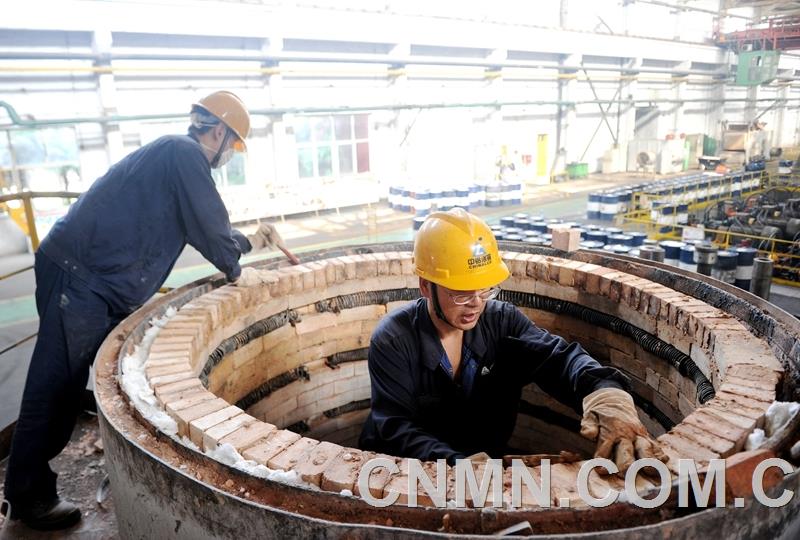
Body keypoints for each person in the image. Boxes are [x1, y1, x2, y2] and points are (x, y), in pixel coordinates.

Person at [2, 90, 295, 531]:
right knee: (55, 388)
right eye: (232, 144)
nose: (229, 155)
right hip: (80, 278)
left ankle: (29, 488)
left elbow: (203, 225)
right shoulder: (183, 154)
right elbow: (211, 227)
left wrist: (254, 239)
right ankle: (27, 496)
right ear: (217, 130)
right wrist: (237, 270)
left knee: (64, 386)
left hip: (88, 279)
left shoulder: (175, 161)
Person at [359, 208, 666, 471]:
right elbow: (396, 428)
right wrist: (457, 464)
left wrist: (604, 390)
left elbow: (558, 359)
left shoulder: (501, 321)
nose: (477, 303)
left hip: (485, 467)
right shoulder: (393, 340)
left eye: (485, 289)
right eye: (463, 293)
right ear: (426, 287)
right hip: (408, 475)